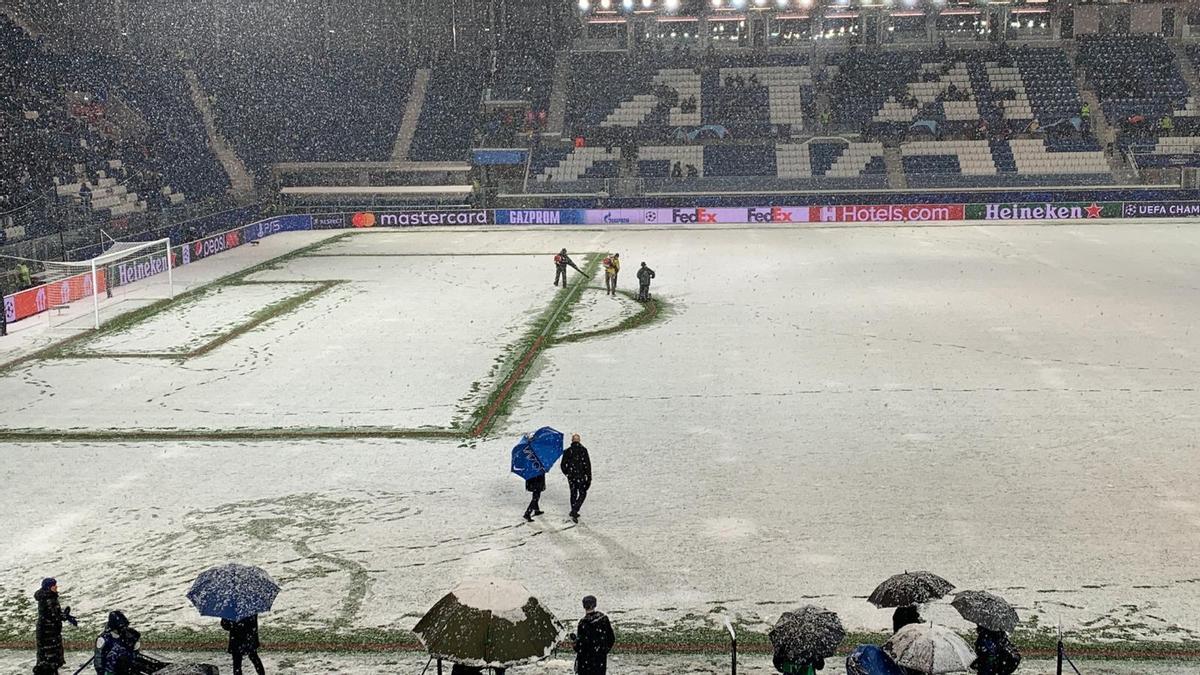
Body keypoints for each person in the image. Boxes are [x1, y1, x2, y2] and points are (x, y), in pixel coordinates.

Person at [35, 578, 76, 675]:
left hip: (50, 631)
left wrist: (64, 615)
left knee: (49, 657)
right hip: (48, 633)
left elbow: (55, 613)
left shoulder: (50, 597)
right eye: (54, 585)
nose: (56, 587)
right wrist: (65, 616)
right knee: (50, 657)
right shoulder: (48, 599)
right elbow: (53, 614)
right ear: (49, 587)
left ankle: (51, 670)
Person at [572, 596, 615, 675]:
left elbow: (579, 647)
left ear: (584, 606)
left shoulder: (582, 624)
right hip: (599, 661)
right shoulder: (604, 619)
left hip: (585, 664)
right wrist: (603, 651)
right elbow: (611, 638)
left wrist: (574, 641)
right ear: (595, 605)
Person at [94, 611, 138, 675]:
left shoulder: (127, 636)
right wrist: (101, 671)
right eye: (121, 627)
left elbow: (135, 652)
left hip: (127, 669)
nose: (124, 629)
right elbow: (98, 659)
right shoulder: (103, 639)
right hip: (110, 671)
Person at [561, 434, 592, 523]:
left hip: (571, 477)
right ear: (579, 441)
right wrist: (589, 477)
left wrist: (567, 473)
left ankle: (574, 509)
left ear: (572, 441)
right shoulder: (583, 450)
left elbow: (563, 465)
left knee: (573, 493)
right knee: (582, 493)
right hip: (581, 476)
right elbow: (588, 464)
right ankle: (575, 510)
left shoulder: (567, 451)